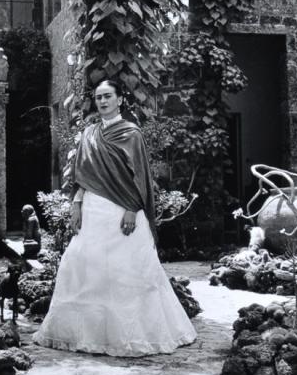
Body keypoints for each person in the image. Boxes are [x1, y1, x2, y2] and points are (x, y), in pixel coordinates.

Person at [33, 79, 197, 357]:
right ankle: (89, 335)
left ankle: (129, 336)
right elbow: (81, 175)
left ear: (120, 99)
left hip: (122, 211)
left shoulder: (131, 133)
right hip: (93, 210)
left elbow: (139, 176)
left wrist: (133, 209)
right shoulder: (89, 134)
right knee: (84, 264)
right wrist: (76, 203)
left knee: (126, 272)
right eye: (98, 98)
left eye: (108, 96)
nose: (103, 102)